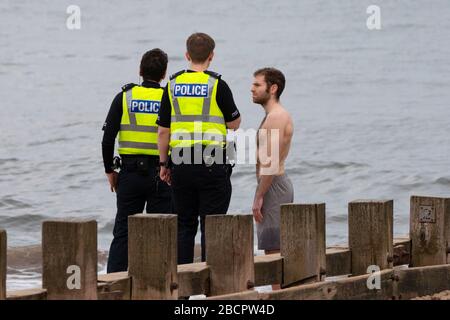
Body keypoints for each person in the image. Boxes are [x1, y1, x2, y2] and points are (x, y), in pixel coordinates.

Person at [157, 33, 241, 264]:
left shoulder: (172, 85)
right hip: (213, 161)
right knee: (212, 225)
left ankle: (182, 288)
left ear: (187, 55)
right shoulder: (218, 84)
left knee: (184, 225)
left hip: (181, 161)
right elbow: (234, 123)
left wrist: (163, 164)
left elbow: (163, 130)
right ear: (211, 56)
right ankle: (212, 286)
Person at [102, 48, 173, 273]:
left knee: (123, 232)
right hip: (161, 174)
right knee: (160, 234)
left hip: (130, 174)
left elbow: (107, 139)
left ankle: (114, 287)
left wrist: (110, 171)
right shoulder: (168, 98)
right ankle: (156, 287)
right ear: (164, 75)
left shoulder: (125, 96)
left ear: (140, 71)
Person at [251, 68, 294, 286]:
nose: (252, 88)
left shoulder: (276, 116)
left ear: (273, 88)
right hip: (272, 184)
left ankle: (279, 294)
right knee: (272, 247)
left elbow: (271, 161)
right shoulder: (273, 115)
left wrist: (259, 196)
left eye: (257, 85)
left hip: (273, 184)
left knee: (274, 250)